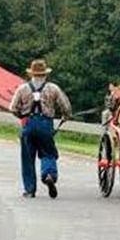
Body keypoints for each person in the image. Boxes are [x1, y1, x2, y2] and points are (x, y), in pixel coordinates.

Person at [9, 59, 72, 199]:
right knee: (48, 152)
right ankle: (48, 174)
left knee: (27, 157)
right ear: (45, 74)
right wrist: (65, 116)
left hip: (28, 123)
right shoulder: (53, 88)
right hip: (45, 124)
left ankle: (30, 190)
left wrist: (22, 116)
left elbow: (12, 108)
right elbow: (66, 107)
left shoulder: (22, 88)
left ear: (32, 74)